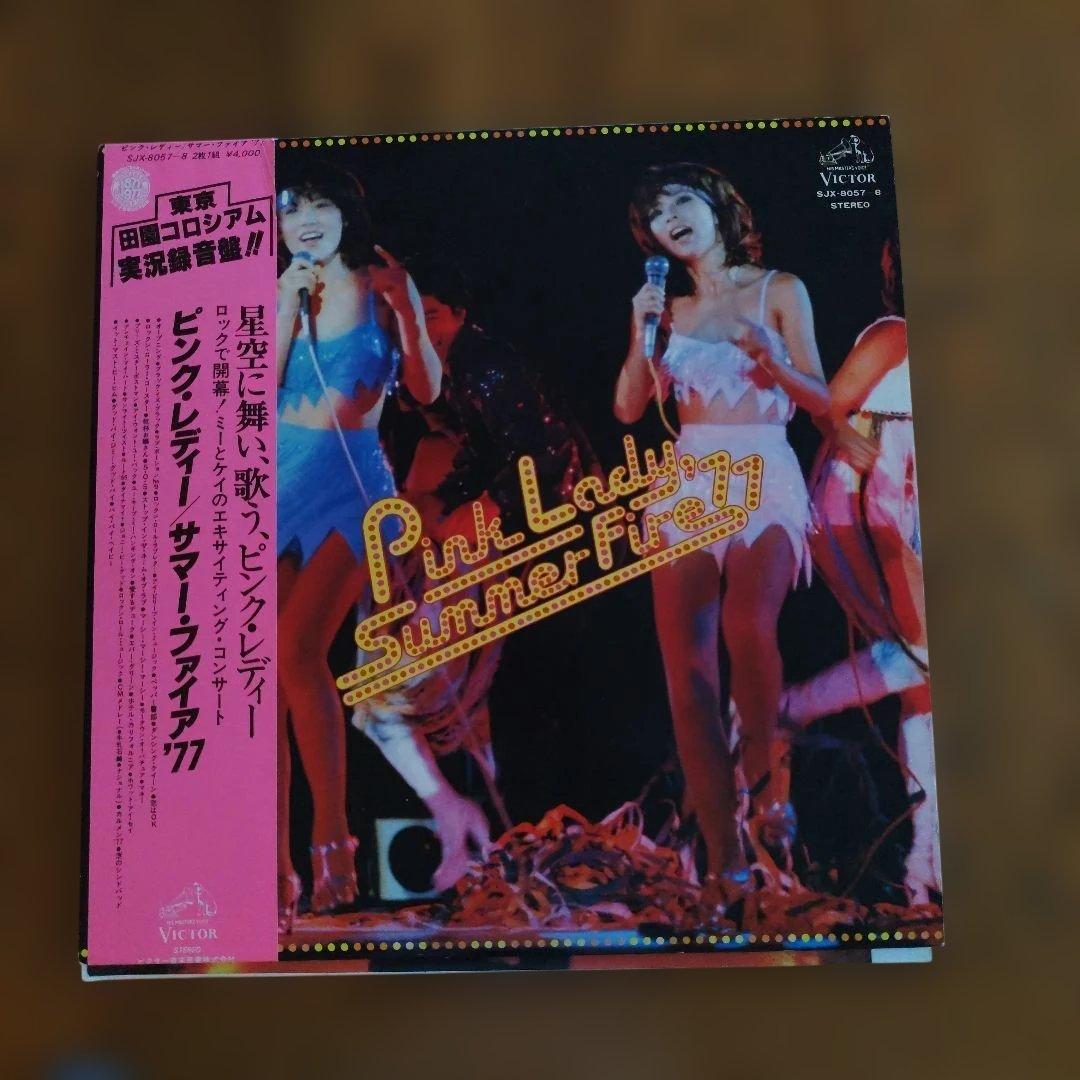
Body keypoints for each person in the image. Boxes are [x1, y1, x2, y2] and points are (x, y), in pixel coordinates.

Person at [614, 163, 829, 905]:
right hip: (689, 476)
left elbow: (822, 399)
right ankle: (723, 856)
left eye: (681, 199)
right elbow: (627, 408)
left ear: (717, 208)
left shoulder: (780, 290)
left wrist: (768, 356)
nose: (668, 215)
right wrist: (641, 330)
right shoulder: (666, 310)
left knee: (747, 624)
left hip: (764, 468)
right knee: (689, 676)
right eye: (654, 211)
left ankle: (771, 791)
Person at [352, 255, 596, 888]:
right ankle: (462, 824)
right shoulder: (405, 384)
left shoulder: (487, 367)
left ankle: (492, 839)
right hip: (445, 532)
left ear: (460, 314)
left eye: (432, 314)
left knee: (435, 698)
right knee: (387, 699)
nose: (421, 329)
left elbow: (539, 454)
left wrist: (473, 509)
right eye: (407, 316)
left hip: (512, 529)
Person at [275, 160, 440, 931]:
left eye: (316, 206)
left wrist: (407, 311)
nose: (303, 221)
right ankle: (274, 865)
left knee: (299, 648)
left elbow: (428, 391)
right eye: (289, 210)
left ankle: (331, 837)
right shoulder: (282, 290)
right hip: (280, 482)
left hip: (354, 485)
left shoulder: (380, 285)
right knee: (264, 681)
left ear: (344, 212)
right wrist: (284, 307)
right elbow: (248, 394)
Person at [804, 235, 939, 903]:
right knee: (922, 660)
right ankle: (786, 709)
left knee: (925, 682)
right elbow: (827, 401)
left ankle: (926, 867)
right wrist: (850, 439)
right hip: (868, 493)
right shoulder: (896, 331)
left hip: (902, 496)